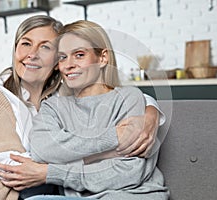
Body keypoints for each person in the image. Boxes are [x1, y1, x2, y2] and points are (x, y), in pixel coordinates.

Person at [0, 15, 164, 200]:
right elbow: (16, 166)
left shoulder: (60, 97)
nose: (32, 54)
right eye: (25, 43)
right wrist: (109, 147)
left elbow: (122, 96)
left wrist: (151, 112)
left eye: (46, 47)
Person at [22, 20, 169, 200]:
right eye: (62, 57)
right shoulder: (53, 106)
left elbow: (130, 172)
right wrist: (112, 139)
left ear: (102, 58)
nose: (68, 65)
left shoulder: (129, 97)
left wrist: (53, 171)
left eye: (79, 55)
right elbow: (41, 150)